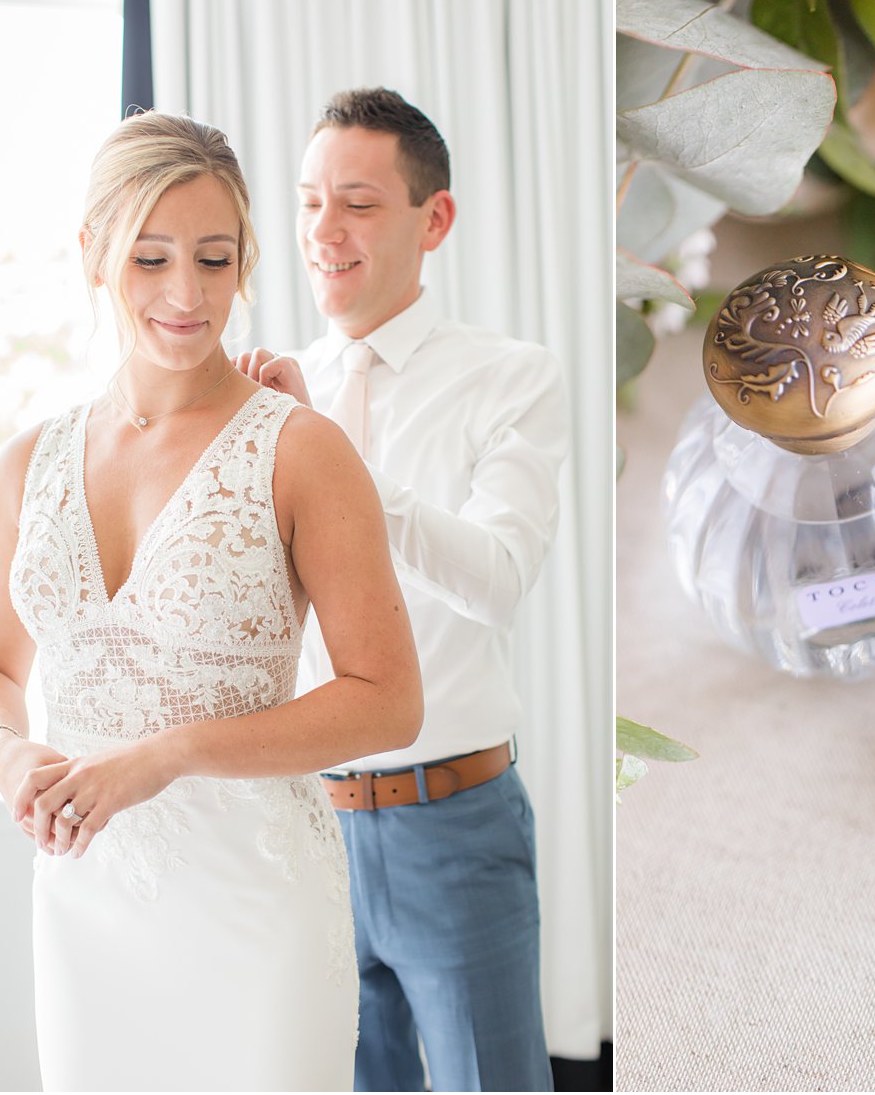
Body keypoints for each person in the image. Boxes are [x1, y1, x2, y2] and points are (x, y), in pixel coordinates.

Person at [0, 112, 422, 1095]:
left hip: (254, 908)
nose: (185, 294)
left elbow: (388, 697)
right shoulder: (25, 464)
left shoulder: (299, 448)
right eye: (150, 258)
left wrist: (166, 754)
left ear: (246, 259)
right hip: (85, 909)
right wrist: (7, 755)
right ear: (92, 254)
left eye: (215, 260)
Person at [237, 87, 569, 1095]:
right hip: (305, 823)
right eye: (305, 202)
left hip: (452, 825)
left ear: (436, 219)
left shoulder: (514, 377)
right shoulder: (269, 396)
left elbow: (498, 580)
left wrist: (331, 463)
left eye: (357, 202)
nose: (321, 232)